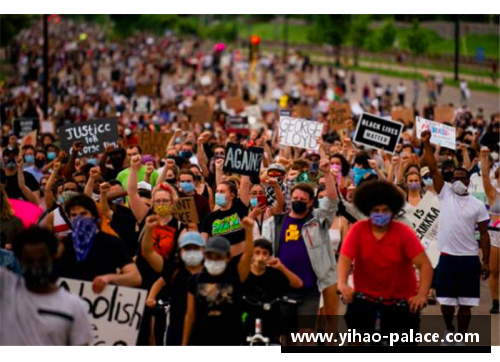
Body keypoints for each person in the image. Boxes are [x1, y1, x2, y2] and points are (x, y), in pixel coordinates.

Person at [338, 181, 433, 345]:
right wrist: (342, 284)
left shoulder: (403, 232)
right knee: (355, 338)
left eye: (385, 210)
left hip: (400, 300)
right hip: (365, 298)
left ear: (393, 211)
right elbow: (345, 259)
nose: (380, 214)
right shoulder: (358, 230)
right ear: (368, 210)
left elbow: (424, 265)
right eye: (375, 210)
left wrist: (421, 295)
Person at [421, 130, 491, 344]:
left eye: (462, 178)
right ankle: (449, 330)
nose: (458, 181)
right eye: (455, 178)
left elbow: (485, 235)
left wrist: (485, 261)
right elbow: (433, 168)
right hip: (447, 256)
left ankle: (461, 336)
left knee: (467, 302)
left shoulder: (478, 205)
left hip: (469, 258)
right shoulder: (445, 193)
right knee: (447, 301)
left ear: (468, 182)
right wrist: (426, 143)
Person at [262, 159, 339, 344]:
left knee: (306, 336)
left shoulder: (318, 220)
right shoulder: (275, 223)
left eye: (302, 200)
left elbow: (332, 202)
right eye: (295, 199)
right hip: (283, 288)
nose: (298, 202)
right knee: (287, 338)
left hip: (309, 289)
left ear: (311, 202)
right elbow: (265, 251)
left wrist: (327, 174)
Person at [0, 227, 91, 345]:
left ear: (53, 257)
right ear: (19, 260)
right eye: (29, 261)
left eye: (42, 260)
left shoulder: (73, 306)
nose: (36, 266)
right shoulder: (6, 289)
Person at [182, 217, 255, 346]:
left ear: (228, 257)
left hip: (230, 341)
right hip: (202, 341)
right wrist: (184, 345)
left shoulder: (235, 276)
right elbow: (190, 315)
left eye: (218, 257)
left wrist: (248, 231)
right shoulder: (196, 280)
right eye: (210, 256)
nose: (214, 260)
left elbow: (248, 255)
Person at [56, 193, 142, 293]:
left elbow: (135, 278)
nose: (79, 219)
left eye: (83, 214)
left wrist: (109, 278)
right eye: (74, 215)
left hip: (102, 301)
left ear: (93, 215)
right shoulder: (63, 245)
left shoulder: (112, 243)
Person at [142, 218, 205, 345]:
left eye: (195, 248)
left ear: (203, 250)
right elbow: (148, 252)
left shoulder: (210, 271)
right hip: (176, 330)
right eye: (187, 248)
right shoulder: (173, 269)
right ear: (180, 251)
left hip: (203, 330)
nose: (191, 252)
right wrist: (151, 297)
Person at [241, 238, 302, 344]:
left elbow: (298, 284)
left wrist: (281, 267)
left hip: (271, 329)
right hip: (246, 326)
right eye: (257, 253)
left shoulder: (274, 274)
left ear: (269, 256)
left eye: (265, 253)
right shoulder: (244, 274)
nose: (260, 257)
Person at [201, 179, 249, 256]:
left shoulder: (240, 210)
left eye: (222, 192)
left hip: (239, 259)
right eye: (217, 191)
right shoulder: (210, 217)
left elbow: (245, 183)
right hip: (218, 259)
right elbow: (203, 241)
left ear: (232, 196)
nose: (218, 194)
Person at [480, 147, 500, 314]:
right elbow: (485, 176)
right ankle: (495, 301)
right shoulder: (493, 193)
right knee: (494, 270)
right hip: (495, 236)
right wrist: (484, 157)